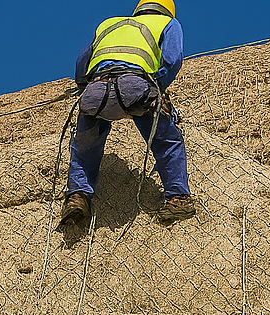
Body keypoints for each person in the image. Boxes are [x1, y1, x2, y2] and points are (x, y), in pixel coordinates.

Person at [61, 0, 196, 226]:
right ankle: (177, 198)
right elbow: (173, 59)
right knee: (166, 142)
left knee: (85, 146)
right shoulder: (167, 23)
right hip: (135, 87)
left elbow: (82, 63)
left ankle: (77, 196)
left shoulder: (109, 24)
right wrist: (158, 87)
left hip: (96, 89)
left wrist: (86, 87)